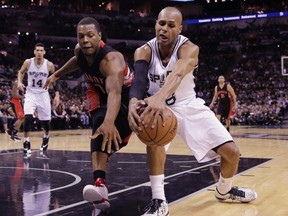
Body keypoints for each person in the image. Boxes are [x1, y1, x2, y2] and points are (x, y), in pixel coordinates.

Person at [128, 7, 257, 216]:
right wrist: (134, 101)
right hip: (156, 106)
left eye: (171, 25)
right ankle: (159, 200)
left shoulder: (189, 48)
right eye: (161, 24)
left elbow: (179, 72)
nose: (164, 29)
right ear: (155, 25)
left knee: (232, 153)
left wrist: (160, 97)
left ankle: (224, 190)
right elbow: (139, 79)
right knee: (154, 140)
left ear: (179, 29)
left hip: (188, 104)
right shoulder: (144, 50)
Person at [44, 17, 133, 213]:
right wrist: (57, 74)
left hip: (127, 98)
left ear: (99, 36)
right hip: (99, 93)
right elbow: (77, 61)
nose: (84, 40)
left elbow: (115, 93)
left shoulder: (112, 59)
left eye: (90, 35)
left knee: (110, 129)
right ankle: (100, 186)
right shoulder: (79, 51)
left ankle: (106, 156)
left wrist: (111, 121)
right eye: (81, 36)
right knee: (99, 127)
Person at [17, 43, 60, 154]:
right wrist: (19, 82)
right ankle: (26, 142)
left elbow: (55, 79)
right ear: (34, 52)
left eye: (41, 50)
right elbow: (21, 72)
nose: (39, 52)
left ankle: (46, 137)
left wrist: (57, 94)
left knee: (45, 122)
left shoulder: (49, 65)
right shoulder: (28, 62)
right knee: (28, 117)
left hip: (43, 94)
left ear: (44, 52)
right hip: (30, 93)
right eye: (37, 50)